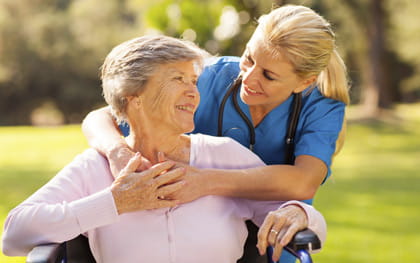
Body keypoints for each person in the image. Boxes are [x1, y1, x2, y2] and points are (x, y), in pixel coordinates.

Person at [2, 35, 326, 263]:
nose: (193, 93)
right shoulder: (95, 168)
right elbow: (13, 235)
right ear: (134, 96)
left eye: (194, 81)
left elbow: (310, 224)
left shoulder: (224, 155)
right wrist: (115, 202)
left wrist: (299, 212)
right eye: (177, 79)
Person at [81, 4, 349, 263]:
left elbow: (303, 182)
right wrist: (117, 152)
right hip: (204, 233)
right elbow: (101, 117)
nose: (249, 78)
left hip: (273, 233)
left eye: (268, 75)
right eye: (249, 58)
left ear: (305, 81)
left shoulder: (322, 106)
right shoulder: (211, 76)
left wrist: (204, 181)